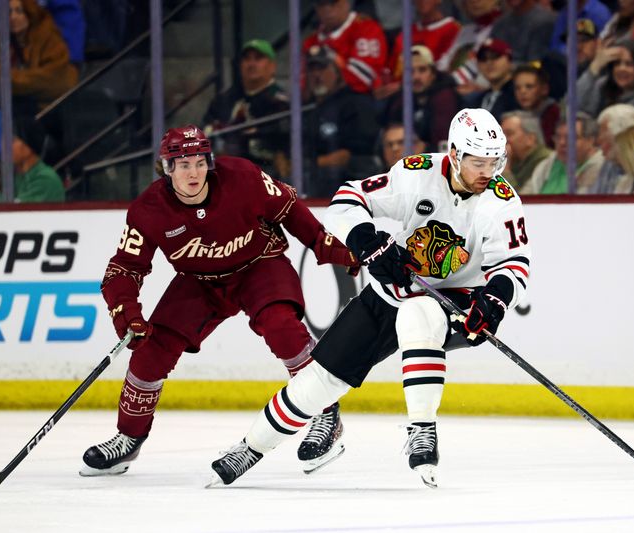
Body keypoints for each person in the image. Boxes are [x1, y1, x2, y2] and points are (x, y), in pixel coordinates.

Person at [207, 108, 531, 488]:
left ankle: (422, 429)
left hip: (452, 299)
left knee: (419, 313)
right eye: (479, 162)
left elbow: (513, 263)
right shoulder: (417, 174)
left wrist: (494, 301)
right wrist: (367, 241)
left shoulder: (500, 200)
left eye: (495, 162)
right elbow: (346, 199)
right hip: (390, 291)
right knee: (319, 382)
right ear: (455, 154)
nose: (488, 172)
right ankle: (251, 447)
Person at [79, 125, 361, 477]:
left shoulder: (243, 177)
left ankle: (325, 413)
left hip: (260, 266)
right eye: (182, 165)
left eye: (199, 162)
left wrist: (333, 248)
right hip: (199, 283)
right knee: (151, 352)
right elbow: (123, 268)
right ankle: (128, 438)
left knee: (281, 327)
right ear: (166, 169)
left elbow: (289, 209)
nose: (193, 172)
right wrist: (128, 316)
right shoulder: (148, 210)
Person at [203, 39, 290, 180]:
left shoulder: (280, 103)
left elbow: (282, 140)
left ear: (272, 66)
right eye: (247, 59)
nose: (251, 64)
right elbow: (206, 129)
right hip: (223, 175)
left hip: (265, 177)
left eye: (258, 58)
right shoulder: (224, 99)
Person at [0, 0, 77, 112]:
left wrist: (7, 78)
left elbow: (53, 80)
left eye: (19, 11)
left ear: (29, 13)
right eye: (8, 12)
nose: (12, 17)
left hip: (45, 109)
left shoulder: (50, 40)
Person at [304, 44, 380, 198]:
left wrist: (304, 165)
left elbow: (346, 156)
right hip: (313, 186)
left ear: (337, 71)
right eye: (312, 69)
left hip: (350, 190)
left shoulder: (356, 104)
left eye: (322, 68)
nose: (316, 74)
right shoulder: (306, 109)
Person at [382, 45, 460, 152]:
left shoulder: (444, 98)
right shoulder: (399, 99)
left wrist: (425, 149)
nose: (416, 77)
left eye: (422, 70)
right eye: (410, 71)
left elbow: (445, 145)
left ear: (433, 74)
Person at [303, 0, 387, 94]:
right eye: (321, 4)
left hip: (356, 99)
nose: (327, 9)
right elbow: (302, 89)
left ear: (347, 2)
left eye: (333, 3)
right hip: (320, 104)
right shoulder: (310, 42)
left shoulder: (366, 28)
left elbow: (364, 80)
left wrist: (333, 62)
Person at [521, 112, 604, 194]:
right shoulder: (546, 165)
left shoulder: (601, 169)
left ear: (590, 140)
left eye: (570, 137)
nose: (561, 143)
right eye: (558, 137)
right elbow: (525, 197)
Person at [500, 110, 552, 191]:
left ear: (530, 139)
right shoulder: (516, 160)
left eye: (509, 134)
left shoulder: (545, 161)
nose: (502, 140)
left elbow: (520, 199)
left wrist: (505, 170)